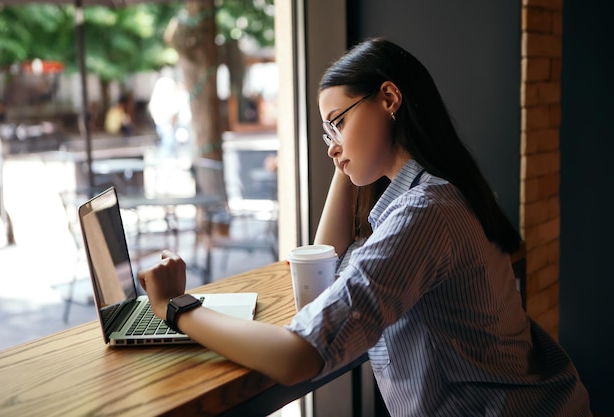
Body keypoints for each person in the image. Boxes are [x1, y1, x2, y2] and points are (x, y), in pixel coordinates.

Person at [138, 38, 591, 416]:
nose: (331, 146)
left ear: (390, 99)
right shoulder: (438, 194)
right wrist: (348, 152)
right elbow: (325, 264)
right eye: (326, 133)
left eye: (336, 122)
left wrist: (175, 306)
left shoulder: (425, 213)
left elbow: (297, 357)